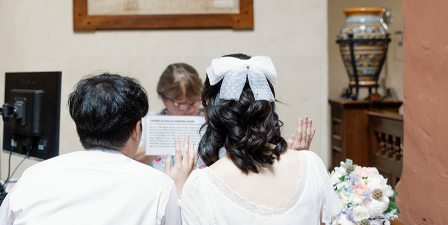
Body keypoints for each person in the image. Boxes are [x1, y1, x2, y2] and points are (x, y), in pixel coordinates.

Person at [0, 73, 197, 225]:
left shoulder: (31, 177)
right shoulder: (160, 187)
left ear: (77, 128)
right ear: (136, 130)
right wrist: (179, 194)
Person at [178, 55, 341, 225]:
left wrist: (181, 191)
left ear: (209, 113)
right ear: (268, 107)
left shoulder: (200, 185)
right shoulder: (311, 164)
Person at [135, 62, 317, 170]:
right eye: (180, 103)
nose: (187, 109)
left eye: (194, 102)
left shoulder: (210, 118)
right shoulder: (149, 121)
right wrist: (154, 147)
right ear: (163, 98)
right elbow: (128, 160)